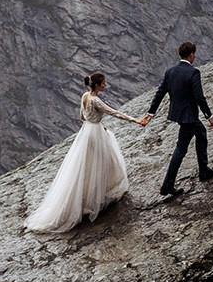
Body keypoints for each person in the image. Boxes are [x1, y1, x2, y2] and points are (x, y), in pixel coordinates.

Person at [24, 72, 150, 234]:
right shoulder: (96, 100)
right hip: (95, 134)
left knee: (87, 166)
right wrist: (137, 121)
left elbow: (81, 116)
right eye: (103, 83)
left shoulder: (85, 96)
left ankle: (85, 198)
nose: (105, 85)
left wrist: (94, 124)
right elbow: (114, 113)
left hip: (87, 132)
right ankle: (98, 196)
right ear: (97, 85)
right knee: (104, 163)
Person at [146, 40, 213, 197]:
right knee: (180, 149)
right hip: (189, 117)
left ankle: (204, 170)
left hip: (179, 114)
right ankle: (167, 185)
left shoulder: (170, 71)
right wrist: (209, 116)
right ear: (191, 55)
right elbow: (199, 97)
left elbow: (160, 92)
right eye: (194, 54)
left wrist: (151, 112)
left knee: (201, 135)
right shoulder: (193, 73)